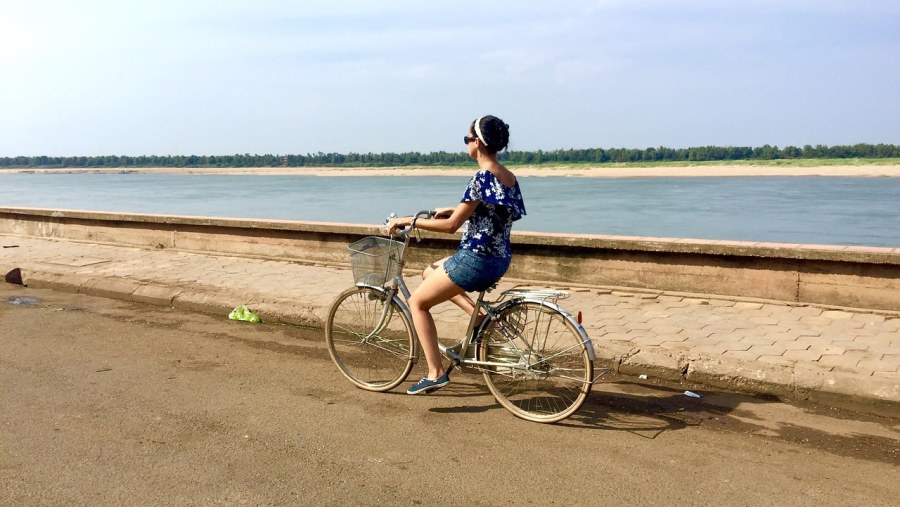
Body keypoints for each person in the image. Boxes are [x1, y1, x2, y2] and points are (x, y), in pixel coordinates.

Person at [387, 115, 526, 395]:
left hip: (475, 260)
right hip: (499, 258)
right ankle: (477, 318)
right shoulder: (507, 176)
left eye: (467, 139)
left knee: (417, 303)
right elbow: (495, 212)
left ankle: (435, 373)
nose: (466, 144)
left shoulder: (481, 177)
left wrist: (408, 221)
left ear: (477, 143)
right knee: (429, 272)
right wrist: (458, 208)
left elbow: (451, 227)